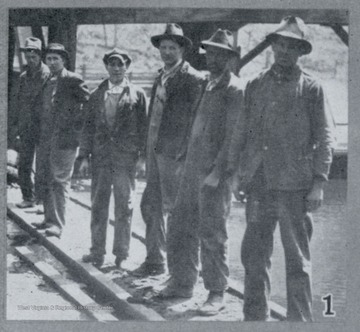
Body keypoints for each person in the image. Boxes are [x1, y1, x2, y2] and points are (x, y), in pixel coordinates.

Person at [228, 16, 335, 321]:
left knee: (298, 262)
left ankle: (299, 321)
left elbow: (326, 136)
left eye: (292, 46)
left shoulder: (312, 88)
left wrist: (319, 182)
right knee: (254, 256)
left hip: (295, 187)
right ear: (272, 46)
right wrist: (237, 173)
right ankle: (254, 318)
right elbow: (242, 131)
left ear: (301, 51)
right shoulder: (256, 84)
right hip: (259, 185)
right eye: (280, 44)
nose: (285, 51)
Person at [157, 29, 243, 316]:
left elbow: (233, 137)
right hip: (191, 168)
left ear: (230, 58)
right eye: (210, 52)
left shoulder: (234, 89)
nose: (213, 58)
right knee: (180, 224)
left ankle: (216, 292)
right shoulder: (206, 83)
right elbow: (193, 124)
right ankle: (182, 283)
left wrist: (219, 173)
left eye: (220, 54)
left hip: (214, 174)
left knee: (212, 232)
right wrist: (183, 157)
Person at [132, 23, 204, 277]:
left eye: (172, 47)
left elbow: (197, 121)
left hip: (175, 155)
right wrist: (144, 151)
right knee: (150, 205)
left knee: (176, 210)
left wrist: (185, 154)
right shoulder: (160, 76)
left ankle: (179, 271)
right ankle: (155, 260)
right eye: (163, 47)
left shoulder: (193, 78)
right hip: (154, 150)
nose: (166, 52)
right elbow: (153, 114)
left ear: (182, 49)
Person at [78, 49, 147, 268]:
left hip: (125, 159)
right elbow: (87, 127)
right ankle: (97, 252)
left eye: (120, 64)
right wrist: (84, 157)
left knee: (124, 206)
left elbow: (145, 129)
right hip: (100, 158)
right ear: (106, 66)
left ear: (127, 67)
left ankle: (122, 255)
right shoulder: (97, 93)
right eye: (112, 64)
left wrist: (142, 158)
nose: (116, 68)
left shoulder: (137, 94)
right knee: (98, 205)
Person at [31, 43, 90, 238]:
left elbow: (88, 105)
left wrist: (76, 129)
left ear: (64, 61)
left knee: (59, 180)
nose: (52, 62)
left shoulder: (73, 80)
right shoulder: (47, 80)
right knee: (47, 177)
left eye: (56, 58)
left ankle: (57, 224)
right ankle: (49, 219)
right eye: (49, 59)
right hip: (47, 138)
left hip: (65, 140)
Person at [11, 37, 50, 209]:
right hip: (27, 126)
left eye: (34, 54)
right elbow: (17, 103)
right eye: (28, 54)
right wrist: (17, 127)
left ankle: (42, 200)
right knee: (24, 163)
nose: (30, 58)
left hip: (43, 126)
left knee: (43, 165)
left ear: (40, 55)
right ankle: (28, 196)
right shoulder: (23, 77)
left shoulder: (48, 75)